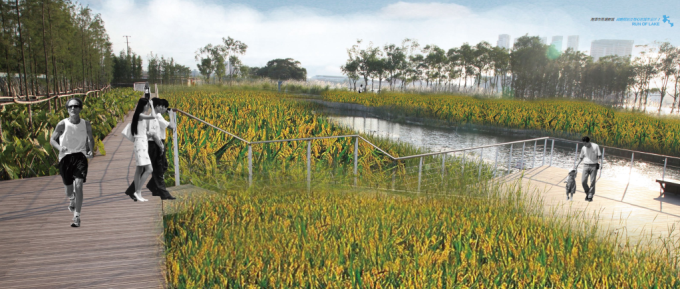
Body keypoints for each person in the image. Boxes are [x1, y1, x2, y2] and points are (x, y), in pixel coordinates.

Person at [50, 97, 94, 227]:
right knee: (69, 191)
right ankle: (72, 198)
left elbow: (90, 139)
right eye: (70, 107)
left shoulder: (86, 124)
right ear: (67, 109)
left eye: (75, 106)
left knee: (79, 185)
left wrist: (90, 151)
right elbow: (52, 140)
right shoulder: (62, 124)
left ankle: (77, 217)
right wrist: (60, 148)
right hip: (65, 158)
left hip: (80, 156)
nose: (73, 108)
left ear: (80, 108)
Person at [125, 98, 176, 200]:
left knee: (152, 169)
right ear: (157, 106)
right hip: (153, 145)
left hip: (154, 144)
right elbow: (154, 134)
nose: (164, 109)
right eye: (162, 106)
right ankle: (162, 192)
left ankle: (135, 190)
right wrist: (160, 145)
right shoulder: (154, 117)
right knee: (157, 169)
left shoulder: (155, 117)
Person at [126, 98, 159, 202]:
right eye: (147, 105)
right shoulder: (140, 115)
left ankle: (137, 192)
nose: (148, 107)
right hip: (140, 144)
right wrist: (153, 105)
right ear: (143, 105)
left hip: (141, 143)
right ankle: (138, 191)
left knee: (139, 170)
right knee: (149, 169)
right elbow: (153, 116)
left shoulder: (139, 116)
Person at [572, 136, 602, 202]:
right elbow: (581, 157)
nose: (585, 145)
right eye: (583, 143)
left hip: (594, 165)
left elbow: (599, 156)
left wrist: (601, 164)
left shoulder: (595, 146)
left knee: (592, 181)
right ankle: (588, 192)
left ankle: (590, 195)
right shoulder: (583, 148)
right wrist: (577, 164)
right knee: (583, 181)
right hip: (585, 165)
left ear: (589, 142)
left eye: (586, 143)